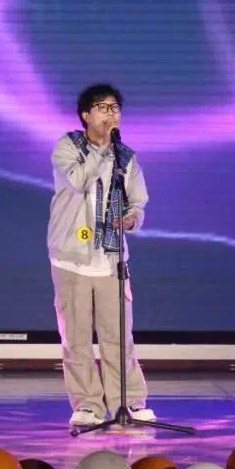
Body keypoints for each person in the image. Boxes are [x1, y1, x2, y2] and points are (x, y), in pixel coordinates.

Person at [47, 83, 156, 427]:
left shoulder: (127, 157)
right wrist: (104, 151)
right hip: (71, 257)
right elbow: (79, 180)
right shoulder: (68, 147)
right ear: (85, 115)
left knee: (118, 337)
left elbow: (138, 201)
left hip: (110, 260)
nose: (111, 114)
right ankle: (88, 405)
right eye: (103, 108)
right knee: (77, 338)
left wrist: (133, 218)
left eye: (115, 108)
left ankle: (130, 402)